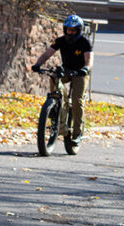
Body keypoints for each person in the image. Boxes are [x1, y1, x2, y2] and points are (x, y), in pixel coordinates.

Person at [31, 14, 93, 147]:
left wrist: (85, 68)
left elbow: (89, 60)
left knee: (77, 100)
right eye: (68, 29)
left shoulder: (84, 42)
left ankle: (77, 133)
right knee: (54, 77)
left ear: (79, 30)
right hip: (66, 70)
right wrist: (38, 64)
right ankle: (55, 103)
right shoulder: (60, 41)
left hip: (80, 73)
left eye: (74, 30)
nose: (71, 32)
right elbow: (47, 54)